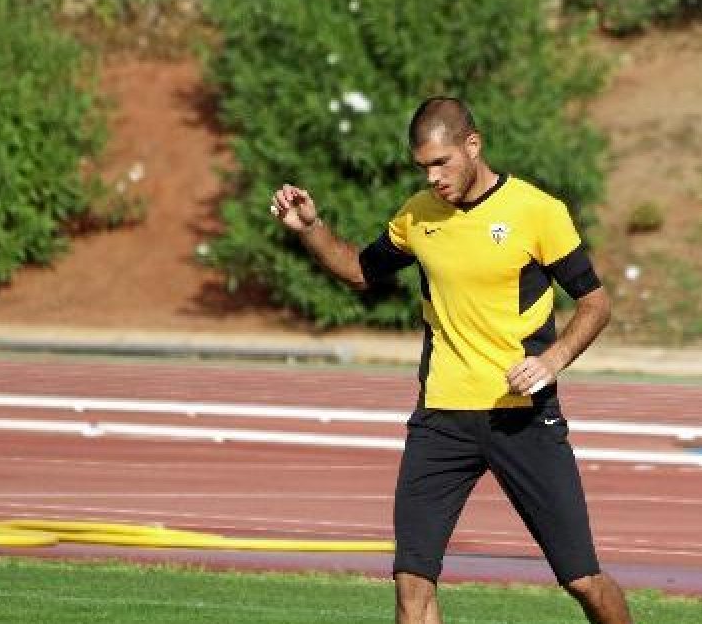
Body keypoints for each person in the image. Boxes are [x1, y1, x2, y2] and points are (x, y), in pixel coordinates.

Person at [270, 97, 633, 624]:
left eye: (442, 162)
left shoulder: (536, 211)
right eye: (423, 167)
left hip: (523, 418)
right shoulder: (418, 215)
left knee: (583, 581)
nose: (434, 177)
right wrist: (310, 226)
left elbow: (595, 303)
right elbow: (358, 271)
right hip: (441, 419)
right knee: (412, 583)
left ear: (473, 145)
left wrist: (553, 359)